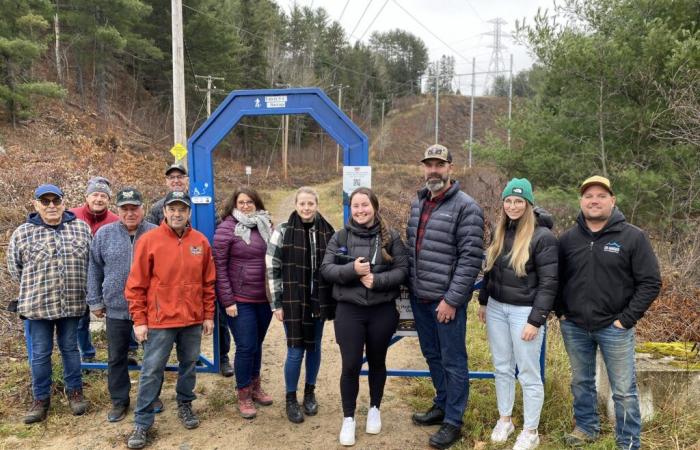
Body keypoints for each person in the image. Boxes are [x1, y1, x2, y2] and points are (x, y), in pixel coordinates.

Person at [556, 176, 661, 450]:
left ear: (612, 201)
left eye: (601, 196)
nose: (594, 200)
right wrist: (561, 312)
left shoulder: (632, 237)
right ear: (581, 202)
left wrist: (624, 320)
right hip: (575, 326)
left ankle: (627, 441)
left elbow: (650, 282)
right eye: (588, 195)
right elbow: (554, 279)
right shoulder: (567, 239)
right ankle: (586, 428)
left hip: (614, 328)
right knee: (581, 381)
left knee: (624, 390)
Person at [406, 144, 484, 450]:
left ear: (451, 167)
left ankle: (453, 421)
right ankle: (441, 404)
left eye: (440, 164)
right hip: (420, 298)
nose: (434, 170)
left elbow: (470, 259)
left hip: (445, 302)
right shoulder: (419, 202)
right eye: (429, 164)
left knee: (453, 360)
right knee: (433, 355)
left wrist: (452, 300)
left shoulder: (467, 207)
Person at [124, 191, 216, 449]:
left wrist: (208, 314)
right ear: (164, 211)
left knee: (189, 365)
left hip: (192, 320)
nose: (177, 214)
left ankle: (185, 404)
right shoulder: (149, 241)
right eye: (172, 209)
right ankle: (142, 422)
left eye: (182, 209)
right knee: (152, 370)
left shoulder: (200, 242)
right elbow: (135, 285)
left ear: (189, 213)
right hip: (160, 321)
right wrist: (139, 320)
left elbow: (208, 283)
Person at [320, 187, 408, 446]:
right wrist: (352, 270)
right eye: (355, 206)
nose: (360, 210)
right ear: (350, 209)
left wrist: (377, 280)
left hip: (382, 310)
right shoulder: (340, 236)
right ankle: (348, 418)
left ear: (374, 207)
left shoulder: (391, 237)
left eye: (365, 205)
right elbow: (326, 269)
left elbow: (403, 270)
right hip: (349, 311)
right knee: (350, 365)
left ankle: (374, 409)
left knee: (378, 361)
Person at [477, 178, 558, 450]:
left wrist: (536, 320)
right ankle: (505, 419)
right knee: (502, 366)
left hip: (525, 312)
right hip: (498, 308)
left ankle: (531, 430)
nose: (513, 205)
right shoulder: (500, 231)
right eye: (509, 200)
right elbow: (491, 271)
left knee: (528, 372)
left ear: (529, 204)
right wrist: (484, 301)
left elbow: (549, 283)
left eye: (519, 201)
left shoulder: (542, 237)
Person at [7, 184, 92, 423]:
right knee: (40, 354)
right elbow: (15, 268)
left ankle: (75, 393)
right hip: (37, 307)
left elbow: (90, 263)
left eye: (56, 200)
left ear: (64, 202)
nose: (52, 206)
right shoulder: (22, 233)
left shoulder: (81, 229)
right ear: (36, 205)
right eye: (46, 202)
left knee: (71, 350)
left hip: (72, 304)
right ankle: (41, 399)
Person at [146, 162, 233, 377]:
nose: (176, 180)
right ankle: (163, 365)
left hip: (202, 266)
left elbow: (218, 229)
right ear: (166, 182)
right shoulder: (158, 207)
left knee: (217, 314)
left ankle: (222, 357)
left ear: (187, 180)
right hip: (170, 277)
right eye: (171, 177)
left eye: (180, 177)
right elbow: (147, 237)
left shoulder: (203, 204)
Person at [86, 188, 157, 422]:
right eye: (125, 208)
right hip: (116, 308)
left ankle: (151, 396)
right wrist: (95, 300)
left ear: (142, 208)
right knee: (116, 357)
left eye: (134, 208)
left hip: (149, 309)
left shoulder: (156, 233)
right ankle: (119, 400)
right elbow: (94, 268)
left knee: (152, 356)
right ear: (118, 210)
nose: (130, 213)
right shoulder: (104, 234)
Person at [266, 187, 335, 423]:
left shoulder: (328, 232)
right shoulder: (283, 232)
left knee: (314, 348)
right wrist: (277, 303)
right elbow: (272, 268)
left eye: (310, 204)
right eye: (302, 204)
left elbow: (334, 267)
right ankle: (290, 398)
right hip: (293, 302)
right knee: (296, 351)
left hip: (318, 302)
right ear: (296, 205)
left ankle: (310, 393)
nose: (306, 208)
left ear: (317, 204)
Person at [213, 187, 274, 419]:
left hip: (264, 298)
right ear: (234, 204)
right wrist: (227, 300)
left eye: (250, 202)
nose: (246, 206)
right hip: (239, 300)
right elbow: (218, 267)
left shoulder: (266, 224)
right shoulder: (227, 229)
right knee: (246, 345)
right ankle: (244, 393)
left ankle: (256, 386)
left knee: (257, 344)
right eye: (242, 202)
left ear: (257, 203)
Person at [70, 176, 119, 363]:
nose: (99, 199)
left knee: (118, 315)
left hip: (107, 276)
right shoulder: (71, 216)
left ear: (108, 199)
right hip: (78, 277)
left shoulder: (115, 220)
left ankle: (128, 350)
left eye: (103, 196)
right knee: (81, 320)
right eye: (95, 194)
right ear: (87, 197)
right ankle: (87, 354)